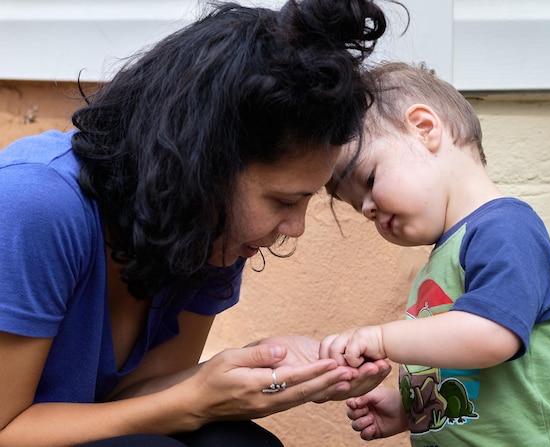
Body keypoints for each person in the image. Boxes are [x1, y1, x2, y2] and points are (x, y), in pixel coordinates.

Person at [0, 1, 394, 445]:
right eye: (283, 201)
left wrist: (255, 372)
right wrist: (195, 400)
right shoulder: (35, 203)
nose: (295, 228)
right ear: (204, 168)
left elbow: (130, 400)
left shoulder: (210, 236)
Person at [320, 62, 550, 446]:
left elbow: (491, 337)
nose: (368, 208)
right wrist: (411, 408)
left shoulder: (505, 230)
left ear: (424, 128)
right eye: (358, 207)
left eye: (369, 180)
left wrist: (383, 339)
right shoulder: (447, 256)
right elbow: (472, 377)